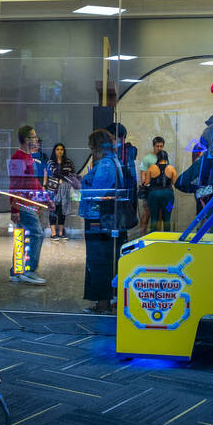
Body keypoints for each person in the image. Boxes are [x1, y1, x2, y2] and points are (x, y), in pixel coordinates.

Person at [80, 129, 125, 313]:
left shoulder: (106, 164)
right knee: (100, 260)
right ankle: (102, 302)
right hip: (101, 218)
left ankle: (102, 304)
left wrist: (79, 184)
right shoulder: (109, 162)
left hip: (98, 218)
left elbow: (97, 193)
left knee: (98, 260)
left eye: (92, 146)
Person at [8, 124, 50, 284]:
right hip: (23, 204)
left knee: (21, 235)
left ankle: (16, 271)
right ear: (26, 140)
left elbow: (32, 182)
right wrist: (15, 208)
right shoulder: (18, 158)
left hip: (29, 203)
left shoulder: (28, 157)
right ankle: (28, 270)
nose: (36, 139)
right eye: (33, 137)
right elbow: (15, 185)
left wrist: (45, 199)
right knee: (36, 233)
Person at [47, 143, 77, 240]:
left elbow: (72, 176)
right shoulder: (50, 163)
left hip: (64, 188)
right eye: (57, 149)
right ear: (54, 151)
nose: (59, 151)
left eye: (61, 149)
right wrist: (44, 186)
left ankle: (61, 233)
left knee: (62, 211)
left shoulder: (68, 162)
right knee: (52, 210)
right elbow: (46, 175)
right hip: (52, 189)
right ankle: (53, 233)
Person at [144, 149, 178, 232]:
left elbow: (146, 182)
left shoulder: (151, 168)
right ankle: (167, 238)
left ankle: (153, 237)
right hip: (168, 195)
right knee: (167, 218)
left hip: (153, 194)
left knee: (154, 218)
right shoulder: (171, 168)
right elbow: (175, 183)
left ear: (157, 158)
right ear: (166, 157)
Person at [138, 136, 164, 230]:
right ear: (153, 146)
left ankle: (157, 236)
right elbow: (143, 174)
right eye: (157, 146)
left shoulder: (164, 157)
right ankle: (142, 235)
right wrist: (145, 185)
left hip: (161, 190)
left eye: (161, 146)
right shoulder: (147, 158)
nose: (159, 148)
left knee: (160, 213)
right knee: (147, 212)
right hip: (150, 189)